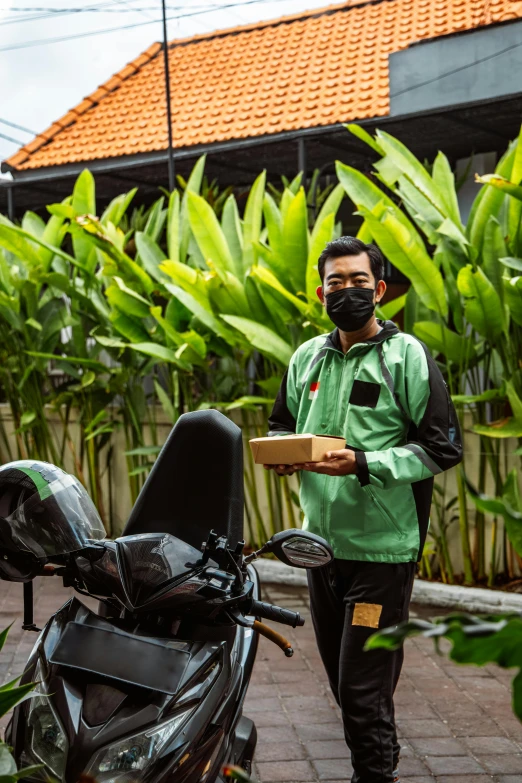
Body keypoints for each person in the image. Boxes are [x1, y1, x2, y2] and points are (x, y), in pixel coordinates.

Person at [265, 236, 462, 783]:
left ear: (378, 290)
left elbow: (441, 447)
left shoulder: (408, 357)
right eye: (335, 282)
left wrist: (363, 463)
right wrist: (283, 454)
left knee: (361, 686)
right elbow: (284, 425)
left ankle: (375, 775)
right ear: (321, 291)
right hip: (322, 549)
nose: (345, 291)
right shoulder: (308, 356)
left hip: (382, 552)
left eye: (357, 281)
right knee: (343, 680)